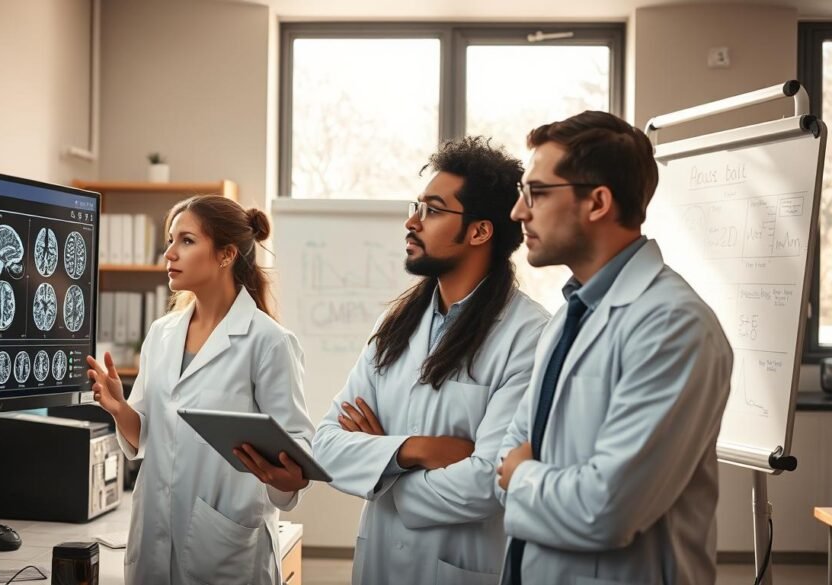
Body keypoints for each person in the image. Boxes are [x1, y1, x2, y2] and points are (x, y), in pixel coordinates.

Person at [496, 111, 734, 584]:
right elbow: (509, 452)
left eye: (536, 193)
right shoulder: (570, 311)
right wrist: (521, 474)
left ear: (598, 202)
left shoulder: (674, 325)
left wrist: (523, 478)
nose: (518, 212)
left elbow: (606, 510)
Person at [311, 137, 549, 584]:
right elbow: (325, 444)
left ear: (480, 231)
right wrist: (413, 449)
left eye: (432, 211)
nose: (411, 222)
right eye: (416, 206)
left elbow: (487, 483)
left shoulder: (529, 335)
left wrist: (383, 469)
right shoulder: (397, 323)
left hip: (461, 567)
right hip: (380, 560)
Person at [86, 195, 315, 585]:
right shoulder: (162, 333)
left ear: (225, 255)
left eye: (186, 241)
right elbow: (148, 436)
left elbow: (297, 452)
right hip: (152, 536)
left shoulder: (268, 342)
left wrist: (287, 476)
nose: (169, 253)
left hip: (225, 546)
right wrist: (119, 409)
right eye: (170, 240)